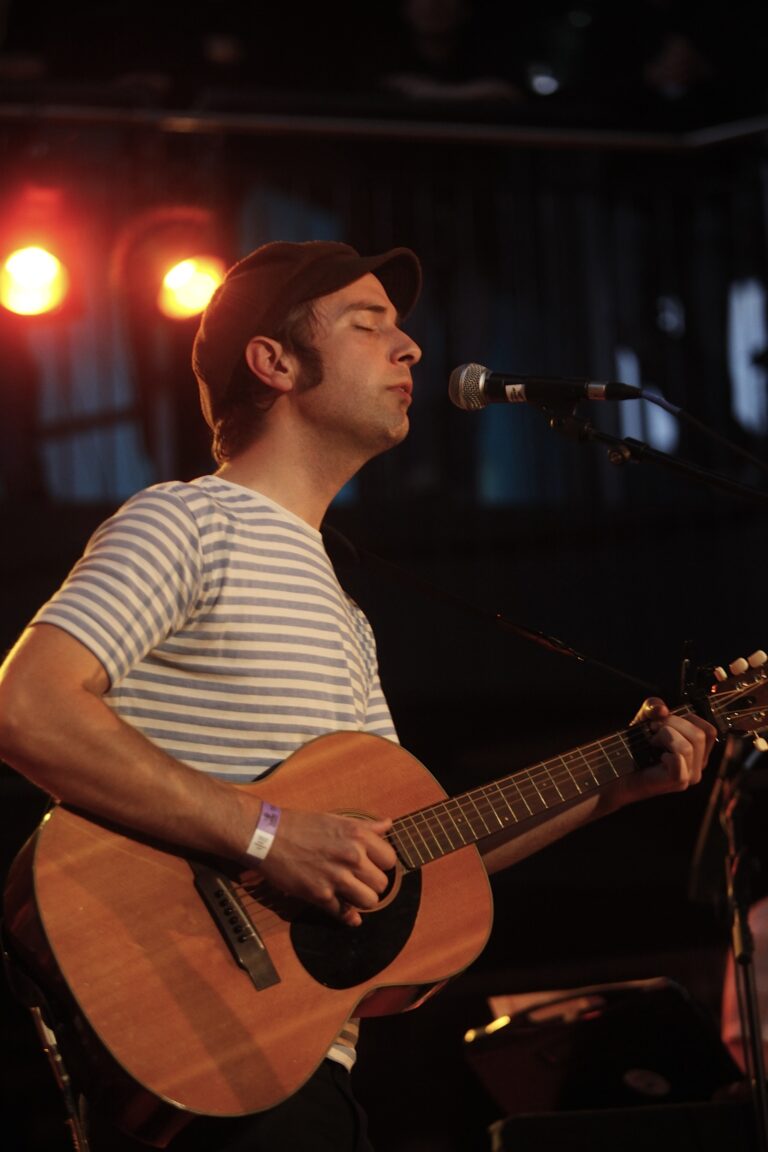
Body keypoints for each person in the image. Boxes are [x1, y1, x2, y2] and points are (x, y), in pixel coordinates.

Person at [0, 239, 716, 1152]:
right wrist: (269, 834)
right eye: (367, 323)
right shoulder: (187, 520)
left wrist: (614, 788)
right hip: (209, 1051)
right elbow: (27, 708)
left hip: (299, 1066)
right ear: (274, 362)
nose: (411, 347)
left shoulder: (345, 614)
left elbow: (404, 866)